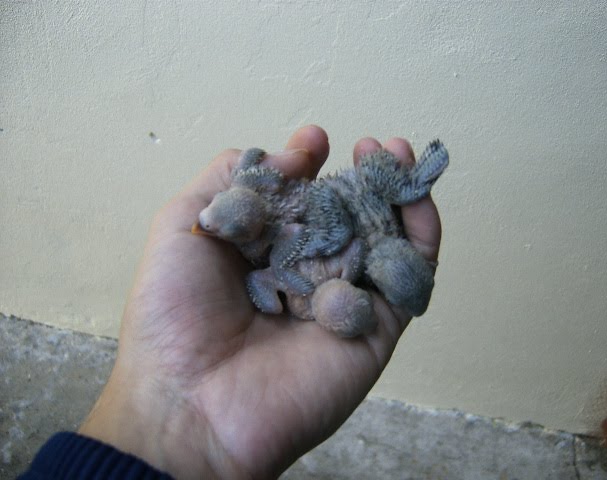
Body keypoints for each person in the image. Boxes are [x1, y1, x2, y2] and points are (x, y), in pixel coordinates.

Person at [19, 125, 442, 479]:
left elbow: (324, 227)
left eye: (215, 226)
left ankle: (409, 186)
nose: (200, 226)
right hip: (355, 254)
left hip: (356, 220)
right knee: (396, 281)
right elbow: (281, 276)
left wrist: (323, 251)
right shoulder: (269, 240)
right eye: (210, 222)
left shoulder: (283, 230)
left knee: (395, 249)